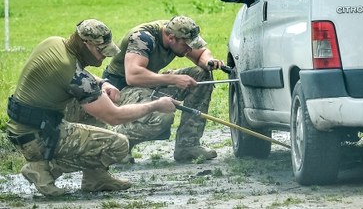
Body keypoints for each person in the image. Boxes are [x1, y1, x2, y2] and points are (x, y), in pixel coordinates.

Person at [5, 19, 178, 197]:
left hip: (27, 126)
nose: (104, 56)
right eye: (100, 50)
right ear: (85, 44)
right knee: (118, 144)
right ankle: (44, 169)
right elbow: (114, 116)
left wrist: (101, 82)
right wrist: (156, 105)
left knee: (96, 105)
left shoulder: (54, 43)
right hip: (37, 138)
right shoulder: (75, 76)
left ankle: (96, 177)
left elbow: (74, 72)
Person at [102, 15, 225, 162]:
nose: (189, 49)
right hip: (122, 88)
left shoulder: (179, 33)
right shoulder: (142, 38)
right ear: (171, 38)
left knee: (200, 74)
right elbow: (133, 76)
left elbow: (201, 53)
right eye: (186, 45)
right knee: (162, 116)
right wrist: (173, 79)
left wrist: (208, 61)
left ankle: (187, 146)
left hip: (149, 83)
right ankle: (115, 143)